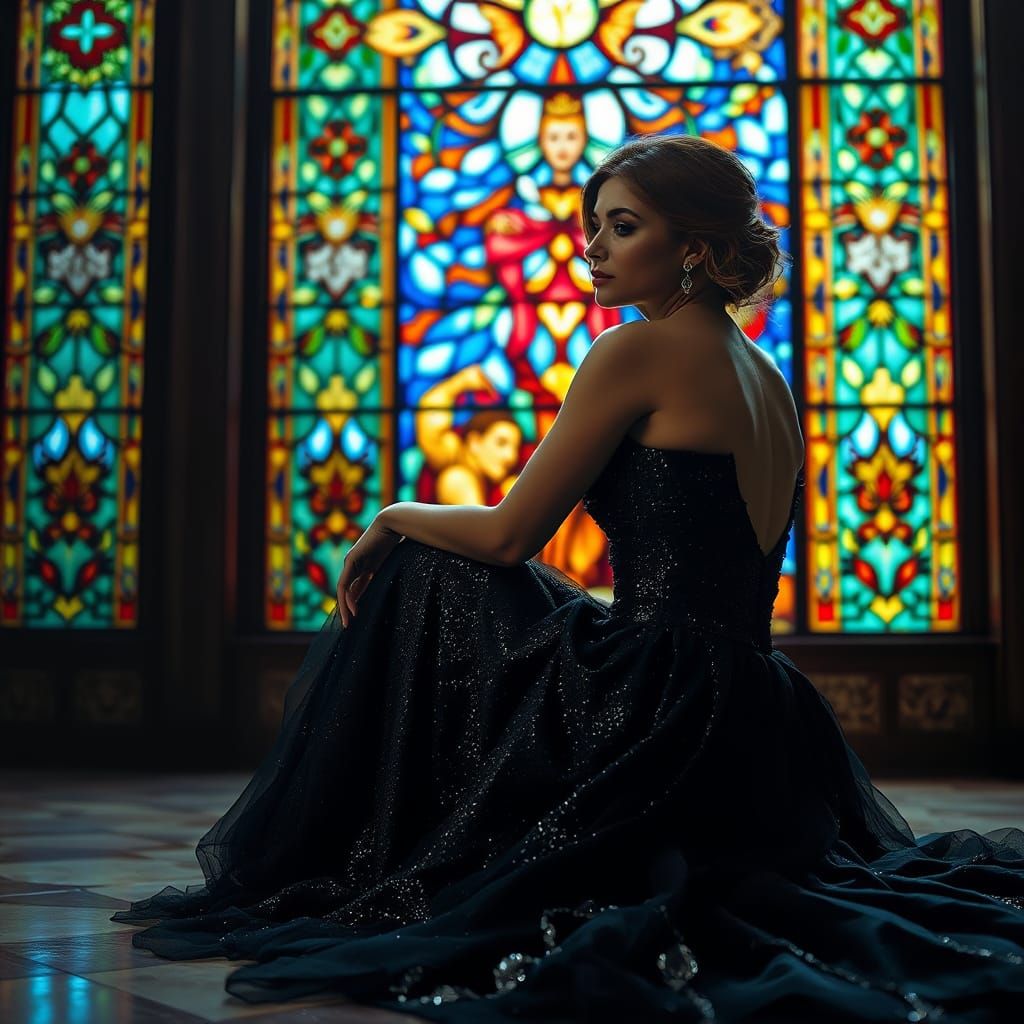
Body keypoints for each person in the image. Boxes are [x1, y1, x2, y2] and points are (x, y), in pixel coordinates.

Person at [113, 135, 1024, 1022]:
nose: (590, 247)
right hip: (756, 709)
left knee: (424, 558)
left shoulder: (636, 349)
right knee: (478, 573)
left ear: (694, 248)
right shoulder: (765, 371)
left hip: (657, 711)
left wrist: (390, 516)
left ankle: (368, 845)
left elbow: (510, 536)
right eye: (593, 223)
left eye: (621, 227)